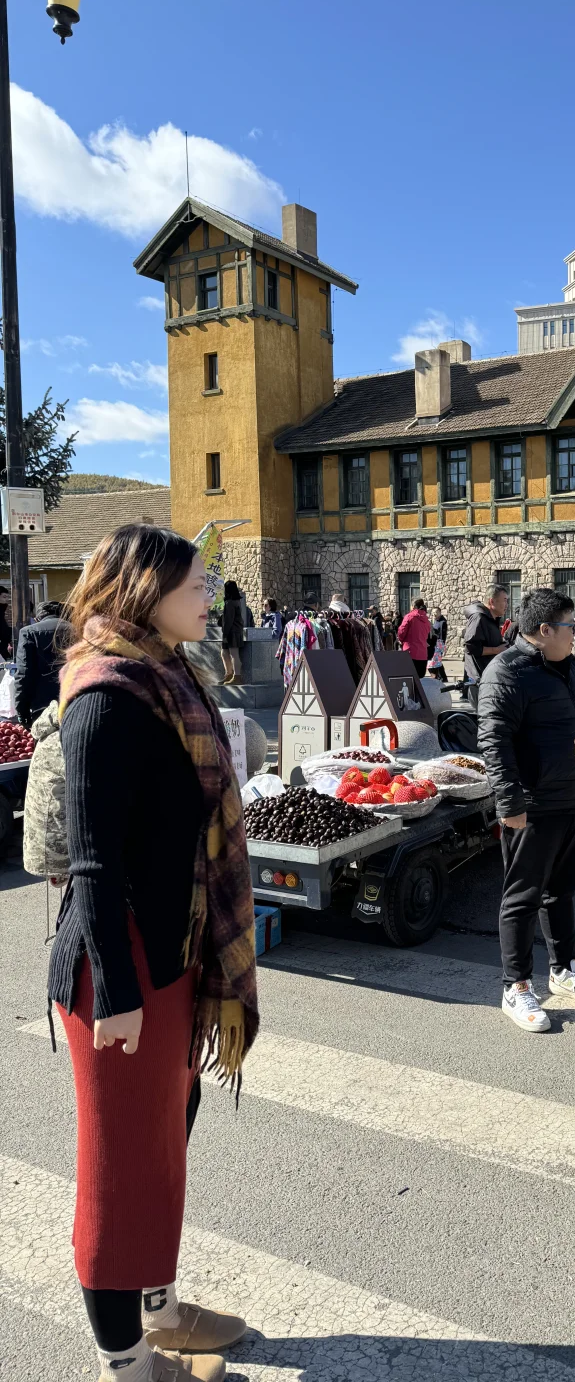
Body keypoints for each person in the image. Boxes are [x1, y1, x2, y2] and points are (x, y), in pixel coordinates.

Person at [49, 524, 259, 1382]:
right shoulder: (107, 695)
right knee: (119, 1170)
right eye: (196, 584)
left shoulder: (171, 674)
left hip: (173, 952)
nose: (210, 594)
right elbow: (93, 861)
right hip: (120, 966)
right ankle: (126, 1364)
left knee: (166, 1139)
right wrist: (121, 996)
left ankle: (159, 1309)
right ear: (144, 592)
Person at [478, 587, 575, 1033]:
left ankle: (564, 969)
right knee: (522, 897)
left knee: (563, 889)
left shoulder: (567, 665)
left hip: (573, 798)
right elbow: (493, 741)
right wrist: (510, 802)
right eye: (571, 627)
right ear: (545, 629)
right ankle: (515, 987)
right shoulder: (506, 671)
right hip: (531, 807)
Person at [13, 598, 67, 727]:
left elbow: (24, 673)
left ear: (37, 618)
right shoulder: (79, 630)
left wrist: (22, 710)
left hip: (42, 705)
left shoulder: (28, 632)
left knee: (45, 746)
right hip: (74, 701)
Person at [463, 584, 509, 679]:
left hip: (488, 675)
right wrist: (496, 650)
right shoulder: (479, 618)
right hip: (477, 679)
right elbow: (470, 647)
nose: (507, 605)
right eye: (504, 600)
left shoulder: (491, 619)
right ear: (492, 601)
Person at [397, 598, 432, 677]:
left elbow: (401, 631)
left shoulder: (409, 616)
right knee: (420, 681)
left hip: (410, 652)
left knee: (408, 680)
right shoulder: (426, 620)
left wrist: (400, 640)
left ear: (413, 606)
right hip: (422, 654)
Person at [219, 580, 245, 685]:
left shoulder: (230, 603)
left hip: (232, 631)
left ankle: (236, 676)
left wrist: (225, 635)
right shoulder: (235, 602)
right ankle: (229, 674)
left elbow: (229, 620)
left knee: (234, 654)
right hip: (234, 630)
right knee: (224, 652)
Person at [428, 605, 449, 681]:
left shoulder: (442, 622)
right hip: (434, 643)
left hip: (438, 643)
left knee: (437, 661)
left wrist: (441, 647)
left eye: (436, 612)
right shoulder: (435, 621)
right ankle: (441, 677)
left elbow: (442, 635)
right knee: (436, 661)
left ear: (440, 612)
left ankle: (442, 677)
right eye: (433, 612)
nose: (434, 614)